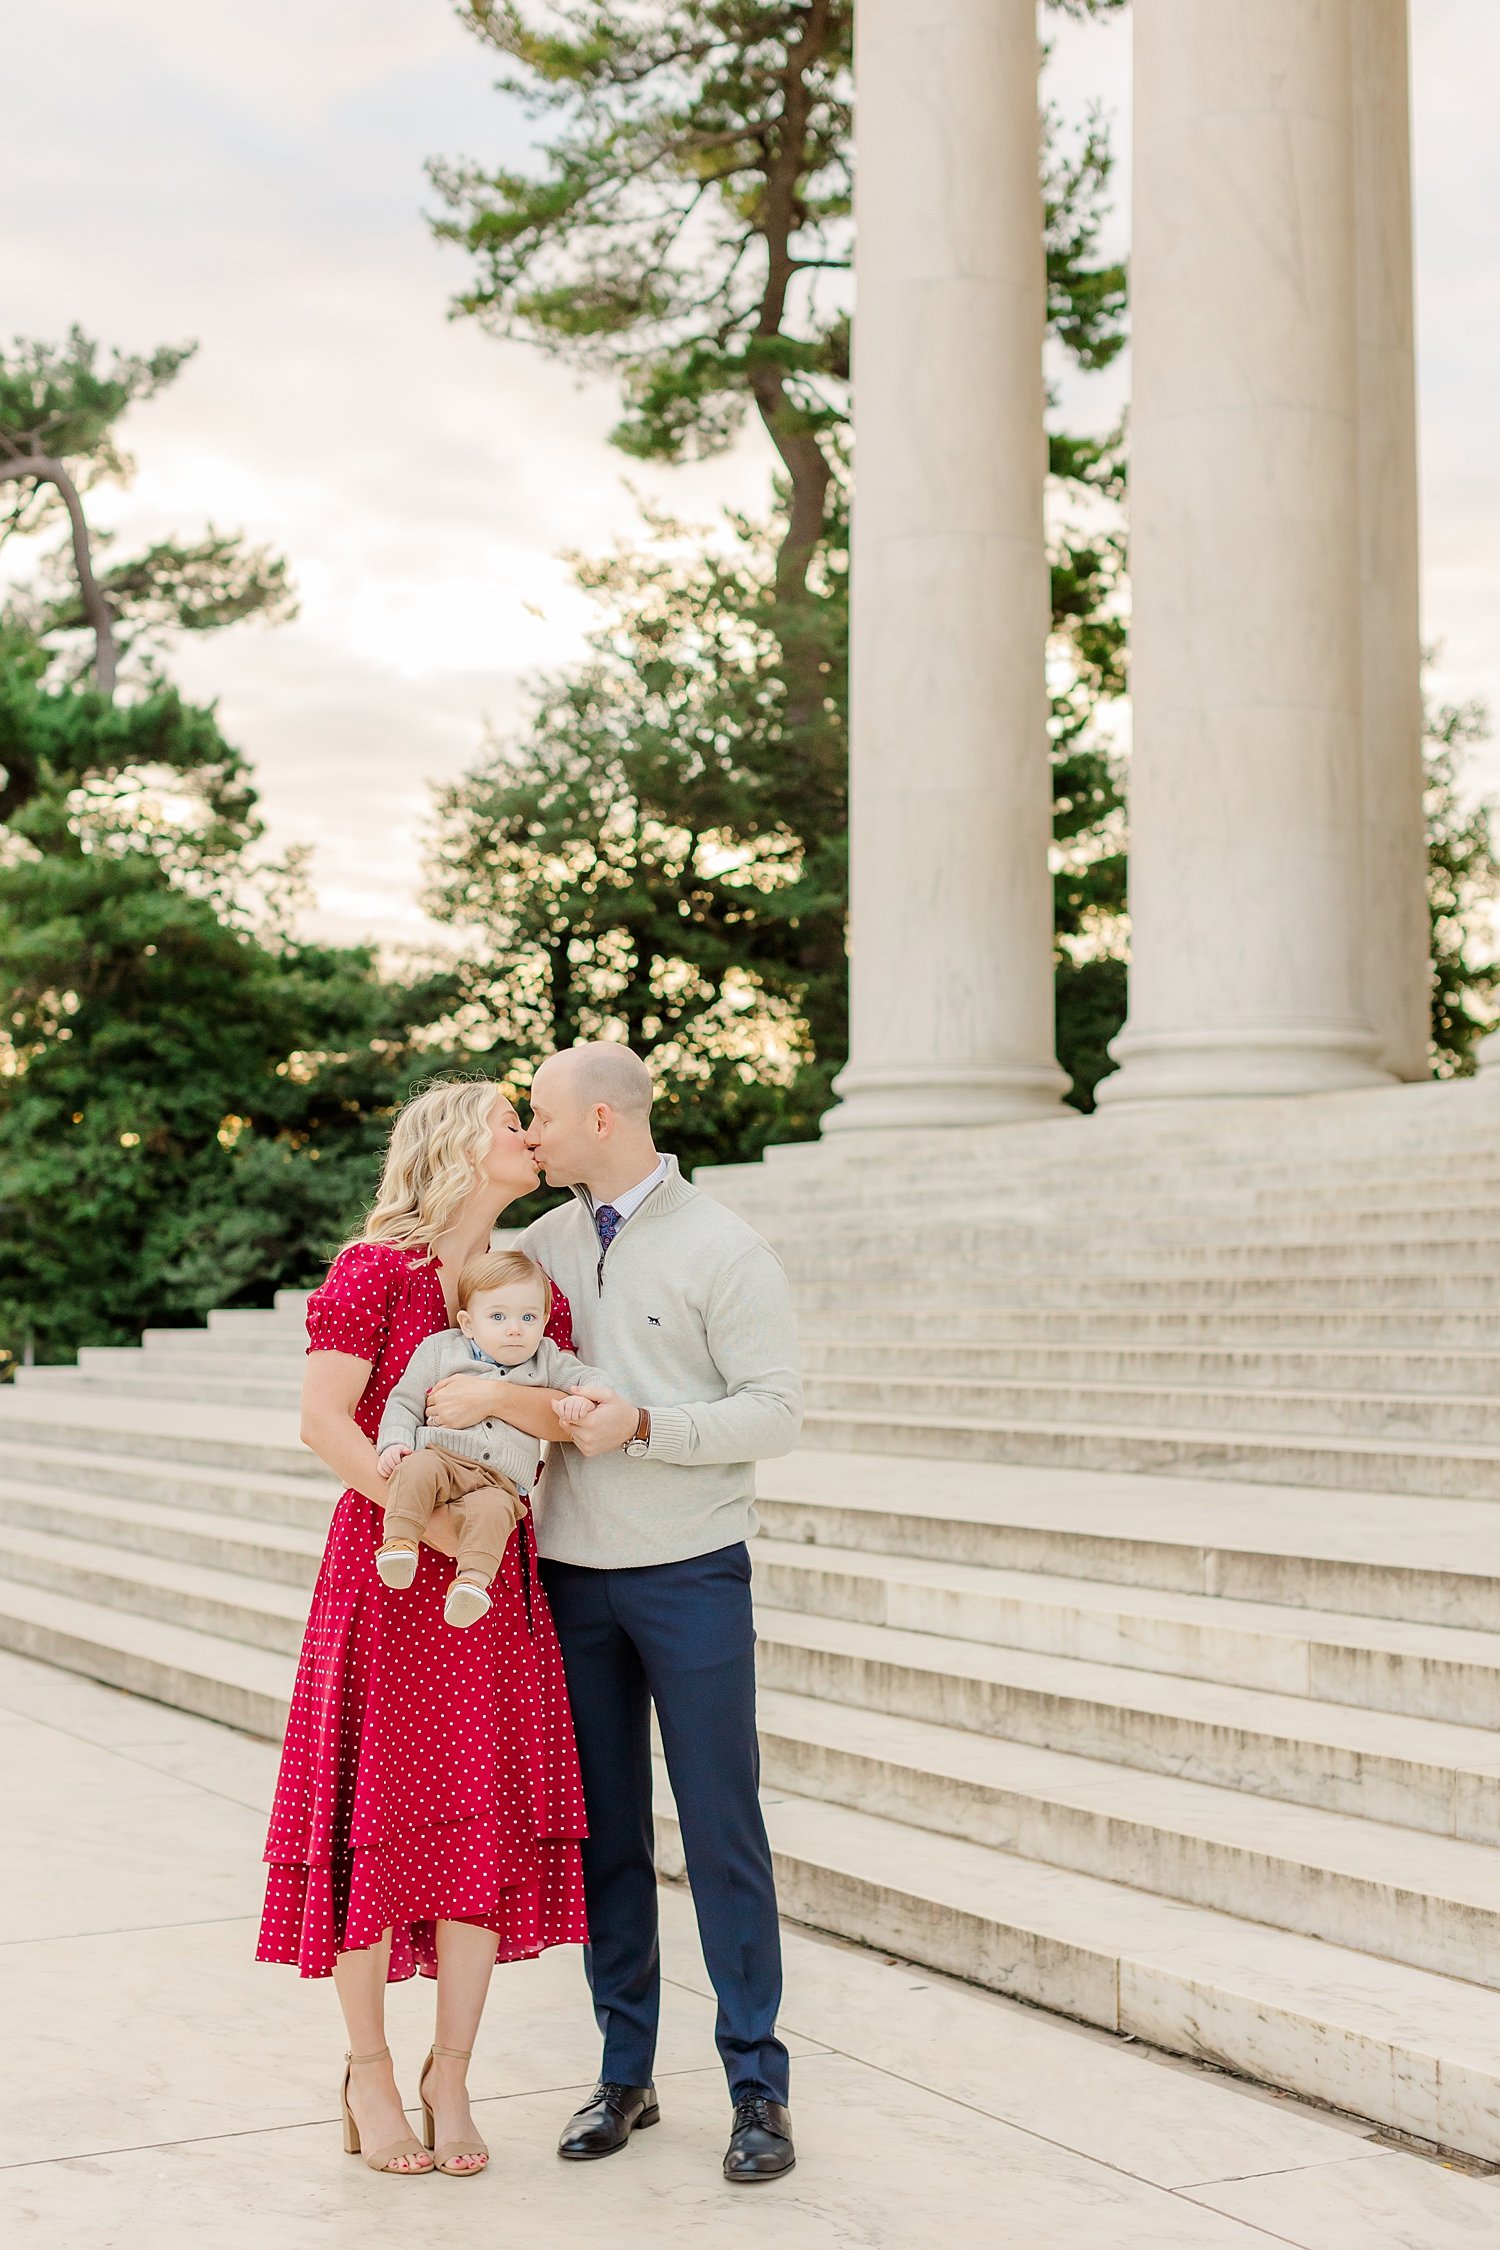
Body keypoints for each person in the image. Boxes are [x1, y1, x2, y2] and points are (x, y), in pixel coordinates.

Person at [255, 1078, 589, 2180]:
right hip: (395, 1578)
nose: (530, 1136)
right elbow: (322, 1422)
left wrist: (502, 1407)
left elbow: (569, 1417)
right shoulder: (376, 1273)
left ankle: (451, 2070)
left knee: (474, 1826)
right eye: (512, 1122)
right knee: (375, 1822)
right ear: (457, 1144)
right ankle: (369, 2071)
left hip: (490, 1596)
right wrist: (444, 1533)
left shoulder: (523, 1285)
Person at [519, 1041, 804, 2185]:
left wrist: (646, 1427)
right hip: (569, 1577)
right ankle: (624, 2074)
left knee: (723, 1831)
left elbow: (774, 1413)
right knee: (607, 1836)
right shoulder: (540, 1245)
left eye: (537, 1114)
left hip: (690, 1571)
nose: (527, 1133)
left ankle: (758, 2092)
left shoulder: (725, 1248)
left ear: (600, 1117)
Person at [375, 1247, 610, 1628]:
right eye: (498, 1317)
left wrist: (583, 1400)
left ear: (544, 1321)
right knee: (414, 1469)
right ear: (468, 1323)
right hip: (441, 1456)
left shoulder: (546, 1358)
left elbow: (591, 1380)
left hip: (499, 1480)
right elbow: (403, 1401)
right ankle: (400, 1543)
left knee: (495, 1513)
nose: (514, 1328)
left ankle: (472, 1582)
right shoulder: (440, 1350)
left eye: (528, 1317)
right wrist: (392, 1444)